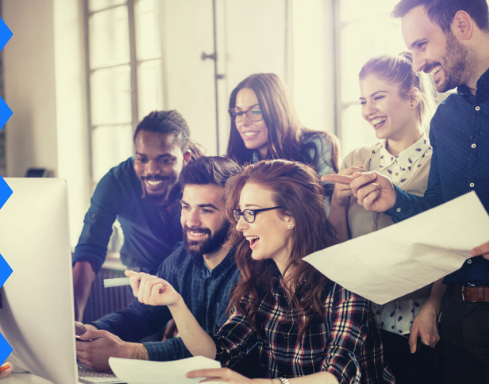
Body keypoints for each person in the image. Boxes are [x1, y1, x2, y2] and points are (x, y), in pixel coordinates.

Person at [334, 0, 489, 382]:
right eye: (411, 51)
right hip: (456, 318)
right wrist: (396, 199)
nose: (418, 63)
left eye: (422, 45)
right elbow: (442, 213)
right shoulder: (447, 118)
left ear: (461, 24)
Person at [133, 160, 394, 384]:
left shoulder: (344, 278)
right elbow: (218, 352)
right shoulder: (260, 280)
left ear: (290, 215)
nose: (241, 225)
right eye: (239, 213)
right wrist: (175, 303)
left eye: (251, 213)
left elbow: (337, 375)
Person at [326, 52, 441, 384]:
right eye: (363, 100)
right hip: (357, 322)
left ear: (412, 97)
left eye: (378, 97)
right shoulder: (357, 159)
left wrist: (433, 305)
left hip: (414, 324)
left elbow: (453, 244)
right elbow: (339, 247)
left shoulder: (439, 161)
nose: (367, 110)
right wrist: (337, 203)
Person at [74, 157, 242, 371]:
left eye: (206, 210)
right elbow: (142, 315)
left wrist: (128, 353)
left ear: (234, 213)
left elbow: (214, 352)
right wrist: (90, 331)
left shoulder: (252, 269)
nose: (191, 221)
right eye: (186, 207)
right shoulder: (179, 260)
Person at [71, 110, 199, 320]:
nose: (152, 170)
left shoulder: (201, 182)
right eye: (142, 159)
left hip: (195, 285)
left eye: (165, 160)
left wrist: (182, 317)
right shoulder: (115, 183)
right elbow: (90, 247)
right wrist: (72, 322)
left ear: (185, 158)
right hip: (145, 288)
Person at [225, 73, 339, 182]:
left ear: (278, 112)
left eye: (255, 111)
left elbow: (328, 200)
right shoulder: (236, 160)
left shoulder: (318, 144)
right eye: (238, 113)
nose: (244, 122)